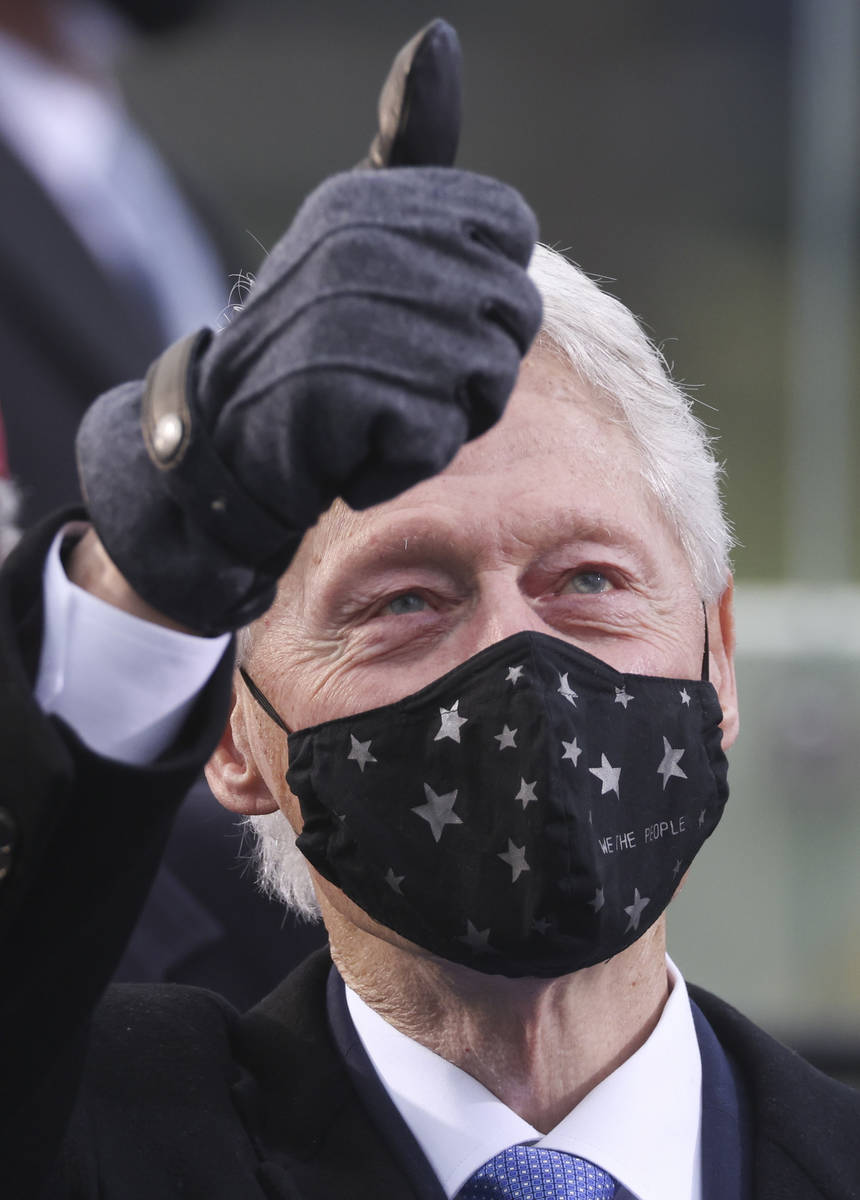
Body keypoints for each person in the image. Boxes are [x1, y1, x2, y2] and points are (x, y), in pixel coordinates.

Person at [2, 23, 859, 1200]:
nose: (515, 653)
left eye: (589, 583)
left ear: (716, 658)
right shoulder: (90, 1139)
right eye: (402, 600)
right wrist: (162, 559)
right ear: (234, 741)